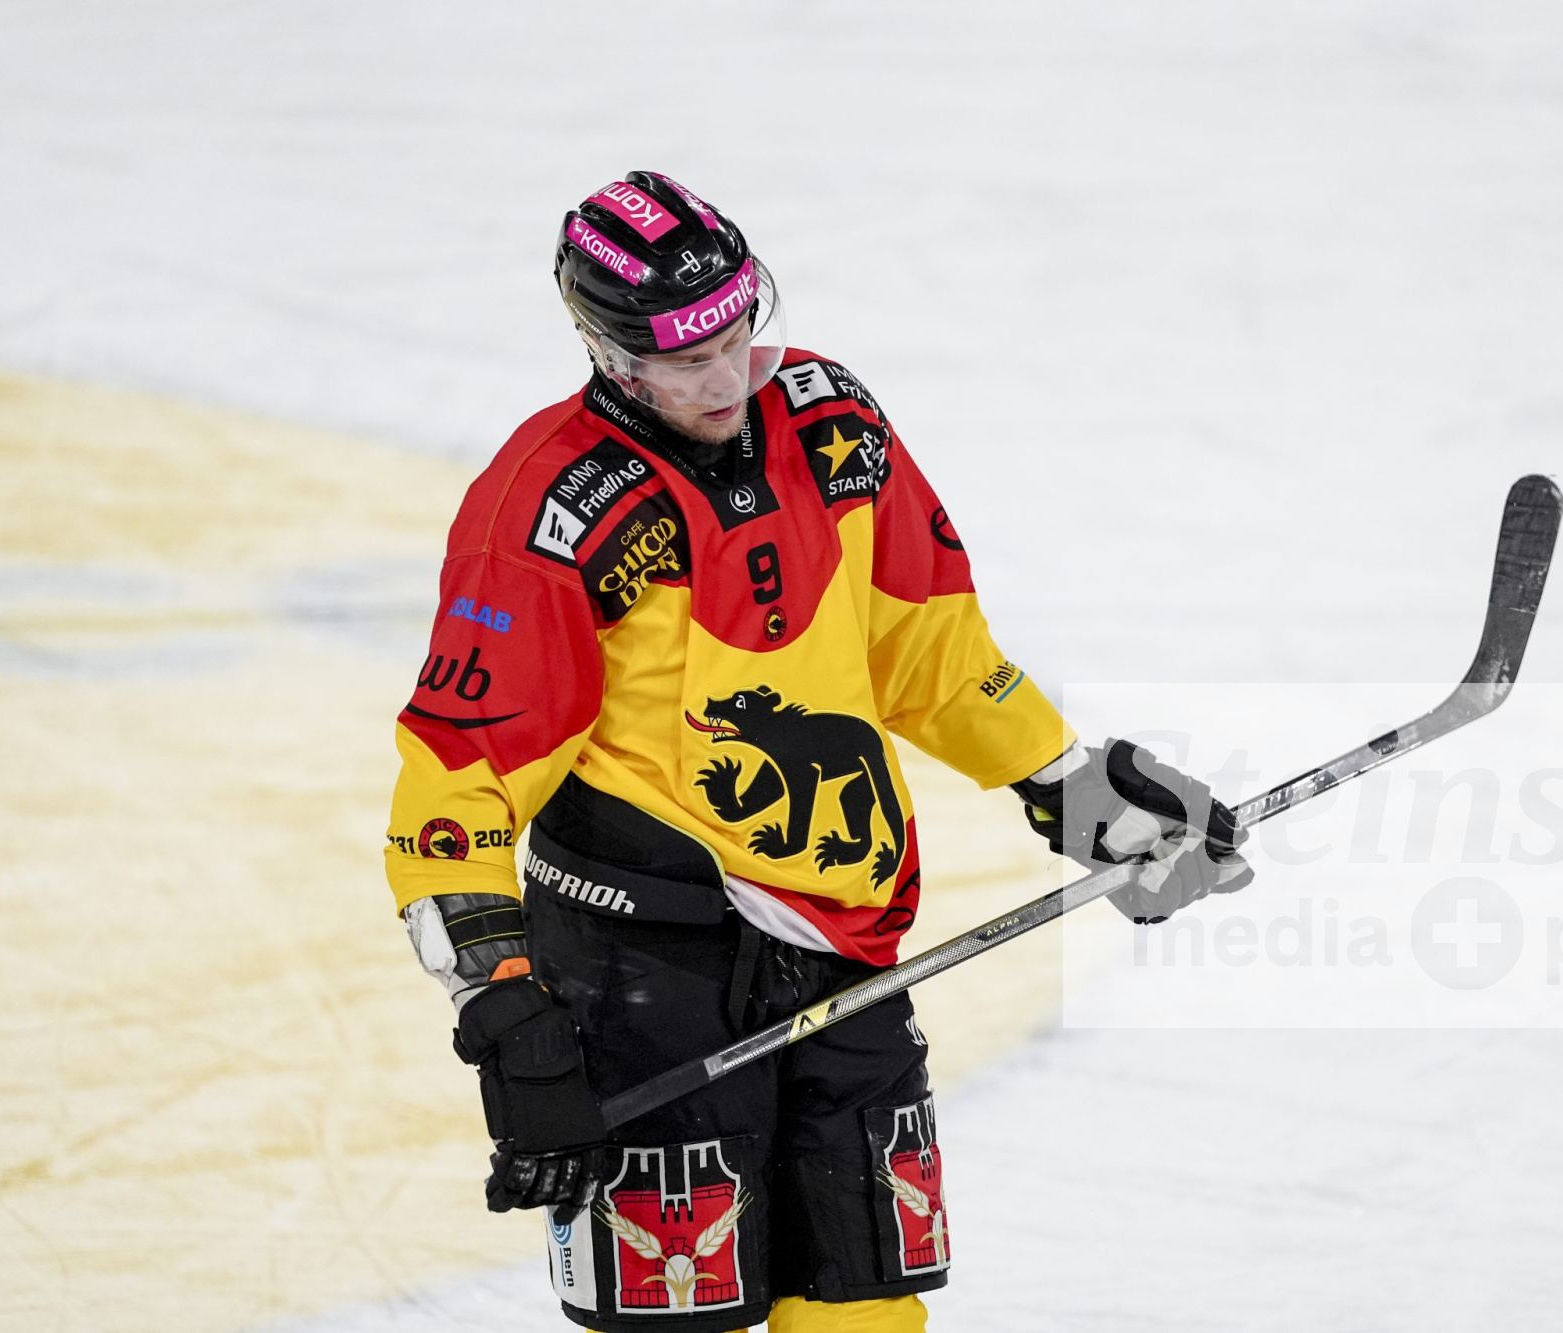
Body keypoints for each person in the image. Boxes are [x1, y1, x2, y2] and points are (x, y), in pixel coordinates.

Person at [383, 171, 1251, 1333]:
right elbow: (465, 771)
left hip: (845, 940)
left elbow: (926, 645)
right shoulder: (549, 510)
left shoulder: (829, 419)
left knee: (865, 1311)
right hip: (646, 972)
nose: (724, 378)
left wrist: (1071, 784)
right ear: (609, 354)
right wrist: (502, 999)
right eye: (687, 360)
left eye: (737, 336)